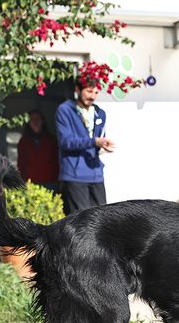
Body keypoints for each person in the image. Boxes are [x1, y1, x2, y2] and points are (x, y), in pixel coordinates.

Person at [55, 66, 115, 215]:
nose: (93, 96)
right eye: (89, 91)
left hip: (96, 173)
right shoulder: (65, 110)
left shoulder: (100, 113)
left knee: (103, 218)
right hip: (75, 174)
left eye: (96, 92)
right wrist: (94, 141)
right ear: (78, 89)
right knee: (81, 221)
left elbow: (98, 139)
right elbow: (66, 141)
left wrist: (102, 146)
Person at [16, 109, 59, 192]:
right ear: (28, 123)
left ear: (42, 121)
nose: (35, 122)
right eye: (32, 119)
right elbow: (21, 163)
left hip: (50, 181)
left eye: (38, 119)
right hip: (31, 182)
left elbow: (57, 160)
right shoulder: (24, 141)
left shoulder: (51, 140)